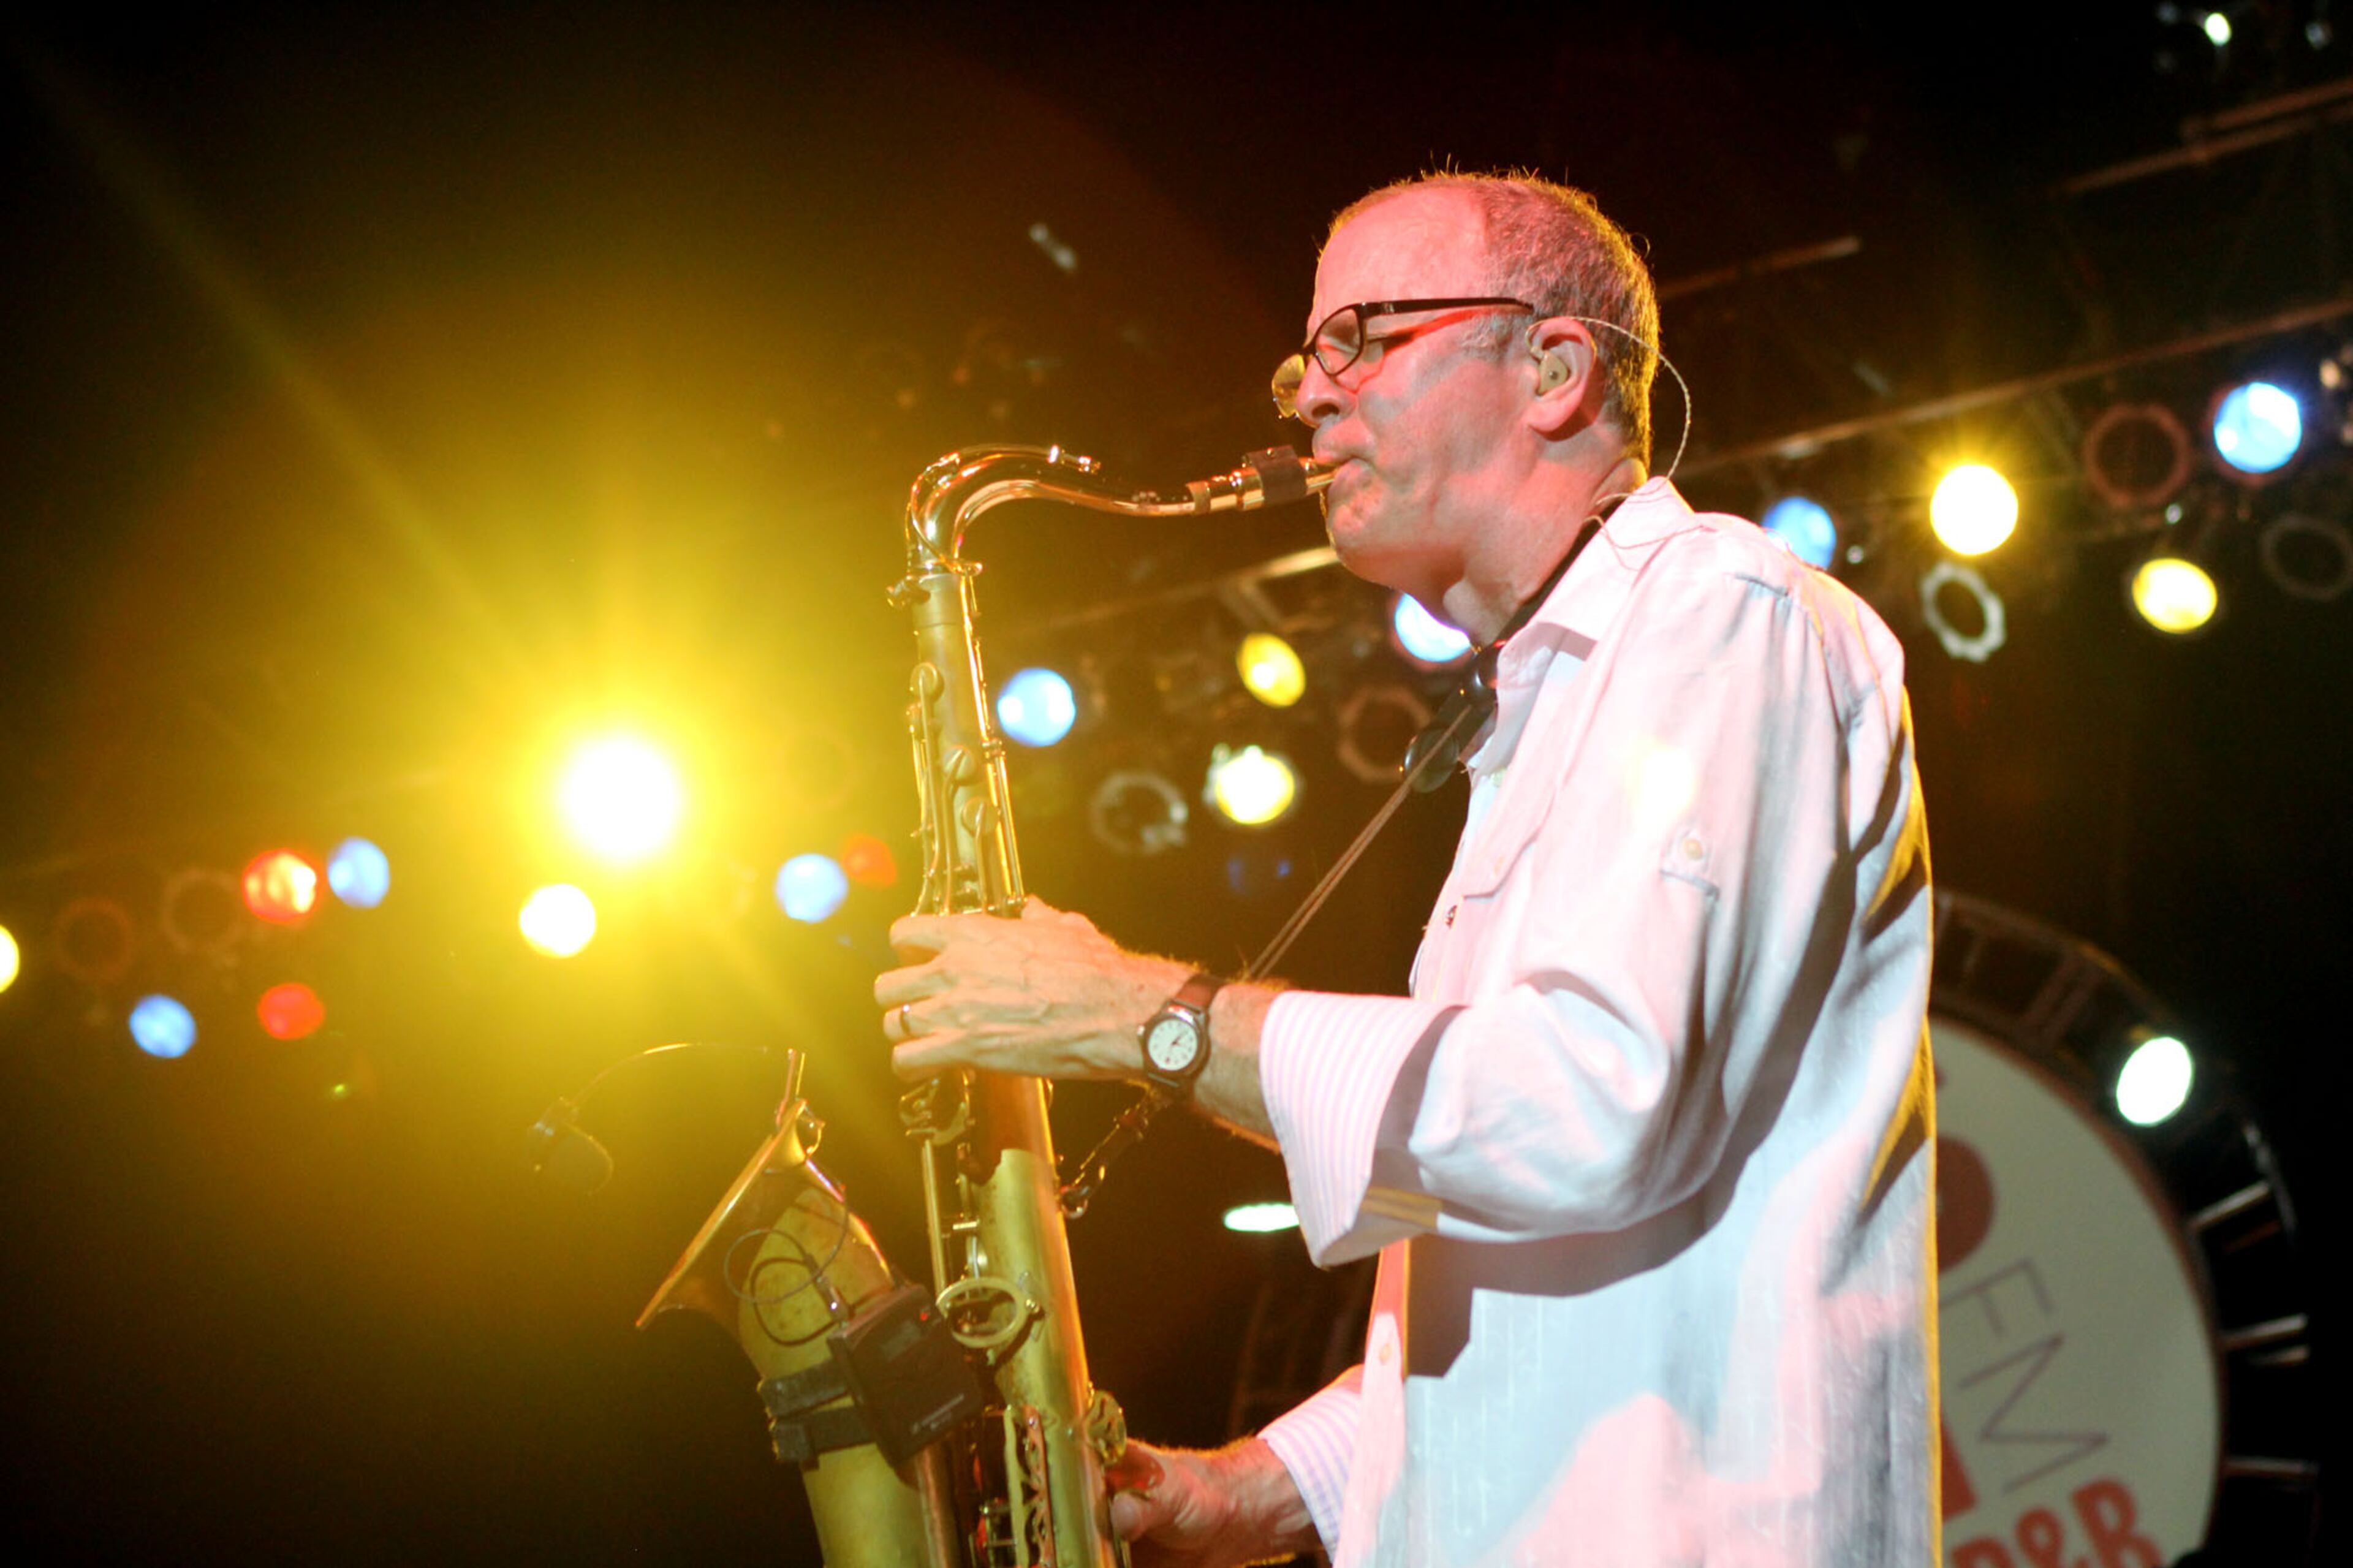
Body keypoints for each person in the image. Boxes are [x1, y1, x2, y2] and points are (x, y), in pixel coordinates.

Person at [874, 170, 1937, 1567]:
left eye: (1361, 338)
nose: (1308, 396)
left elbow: (1585, 1107)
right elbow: (1537, 1255)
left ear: (1556, 369)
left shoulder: (1720, 614)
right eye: (1305, 359)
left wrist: (1140, 1013)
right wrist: (1264, 1483)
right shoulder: (1544, 700)